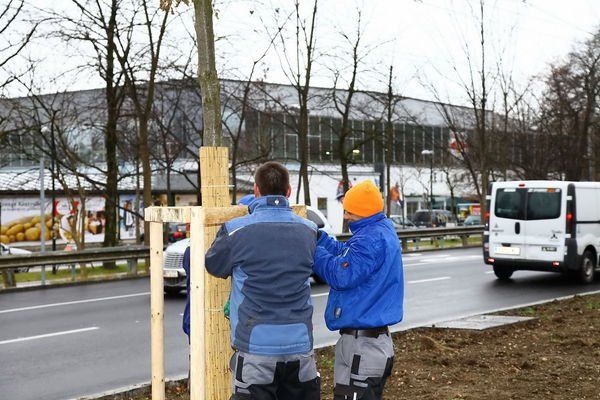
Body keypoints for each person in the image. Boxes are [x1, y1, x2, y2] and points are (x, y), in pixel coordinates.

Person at [182, 162, 320, 400]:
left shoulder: (236, 230)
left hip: (256, 349)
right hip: (300, 347)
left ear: (256, 189)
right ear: (288, 191)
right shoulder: (309, 230)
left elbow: (214, 265)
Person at [312, 180, 404, 400]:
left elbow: (341, 275)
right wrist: (319, 238)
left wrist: (313, 251)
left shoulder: (370, 240)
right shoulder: (377, 232)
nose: (345, 216)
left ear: (363, 211)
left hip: (363, 346)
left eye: (349, 211)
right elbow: (346, 254)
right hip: (364, 343)